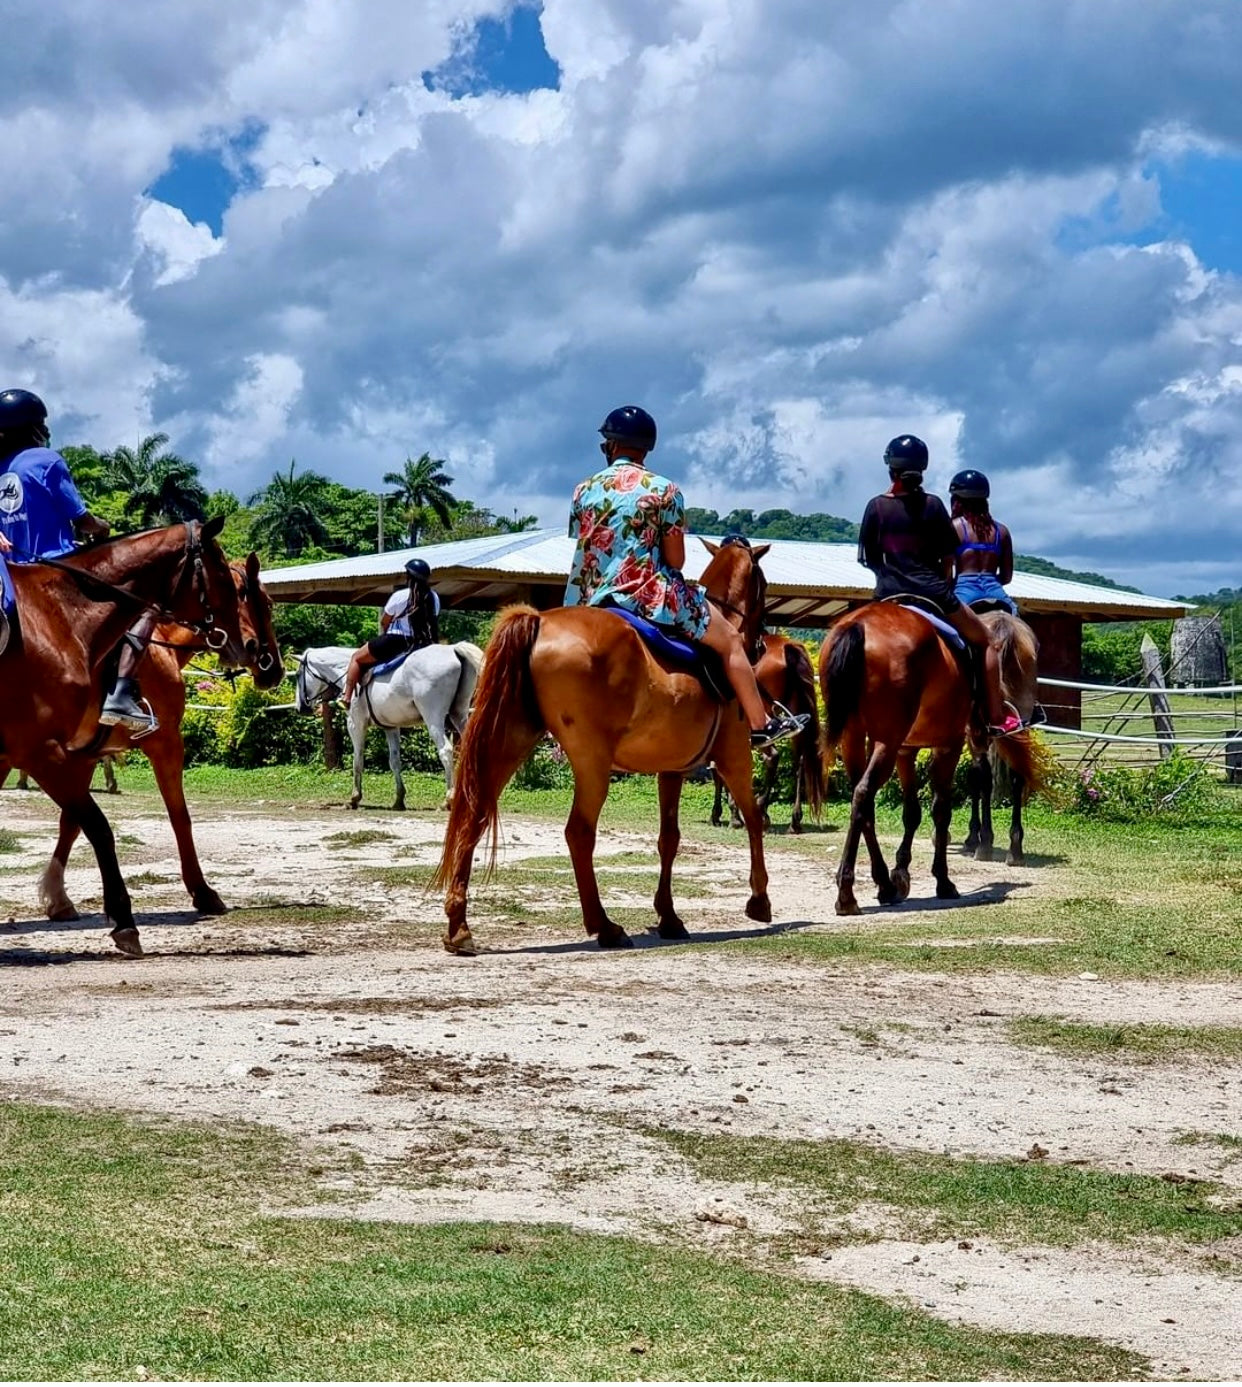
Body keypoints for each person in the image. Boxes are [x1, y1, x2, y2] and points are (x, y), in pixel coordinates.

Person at [566, 404, 805, 749]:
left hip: (588, 596)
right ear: (646, 448)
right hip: (646, 592)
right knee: (731, 642)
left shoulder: (583, 490)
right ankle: (760, 723)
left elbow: (586, 546)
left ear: (612, 445)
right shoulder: (666, 491)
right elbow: (676, 560)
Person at [0, 388, 157, 732]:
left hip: (14, 581)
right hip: (61, 573)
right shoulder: (46, 461)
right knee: (141, 608)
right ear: (33, 428)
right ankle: (122, 694)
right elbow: (82, 520)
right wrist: (102, 529)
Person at [857, 435, 1022, 736]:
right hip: (932, 593)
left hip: (887, 593)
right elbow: (948, 559)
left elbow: (869, 558)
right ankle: (996, 716)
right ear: (923, 468)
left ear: (890, 467)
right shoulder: (933, 505)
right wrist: (941, 583)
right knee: (986, 641)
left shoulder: (875, 507)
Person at [341, 557, 441, 707]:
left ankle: (346, 697)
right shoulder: (434, 597)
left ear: (409, 576)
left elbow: (384, 621)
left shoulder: (400, 596)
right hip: (422, 643)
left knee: (356, 657)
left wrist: (385, 635)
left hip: (395, 641)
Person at [948, 469, 1017, 615]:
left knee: (941, 628)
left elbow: (946, 573)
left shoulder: (953, 527)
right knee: (1018, 620)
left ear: (957, 501)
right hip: (995, 591)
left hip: (964, 592)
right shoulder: (1002, 531)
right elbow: (1006, 577)